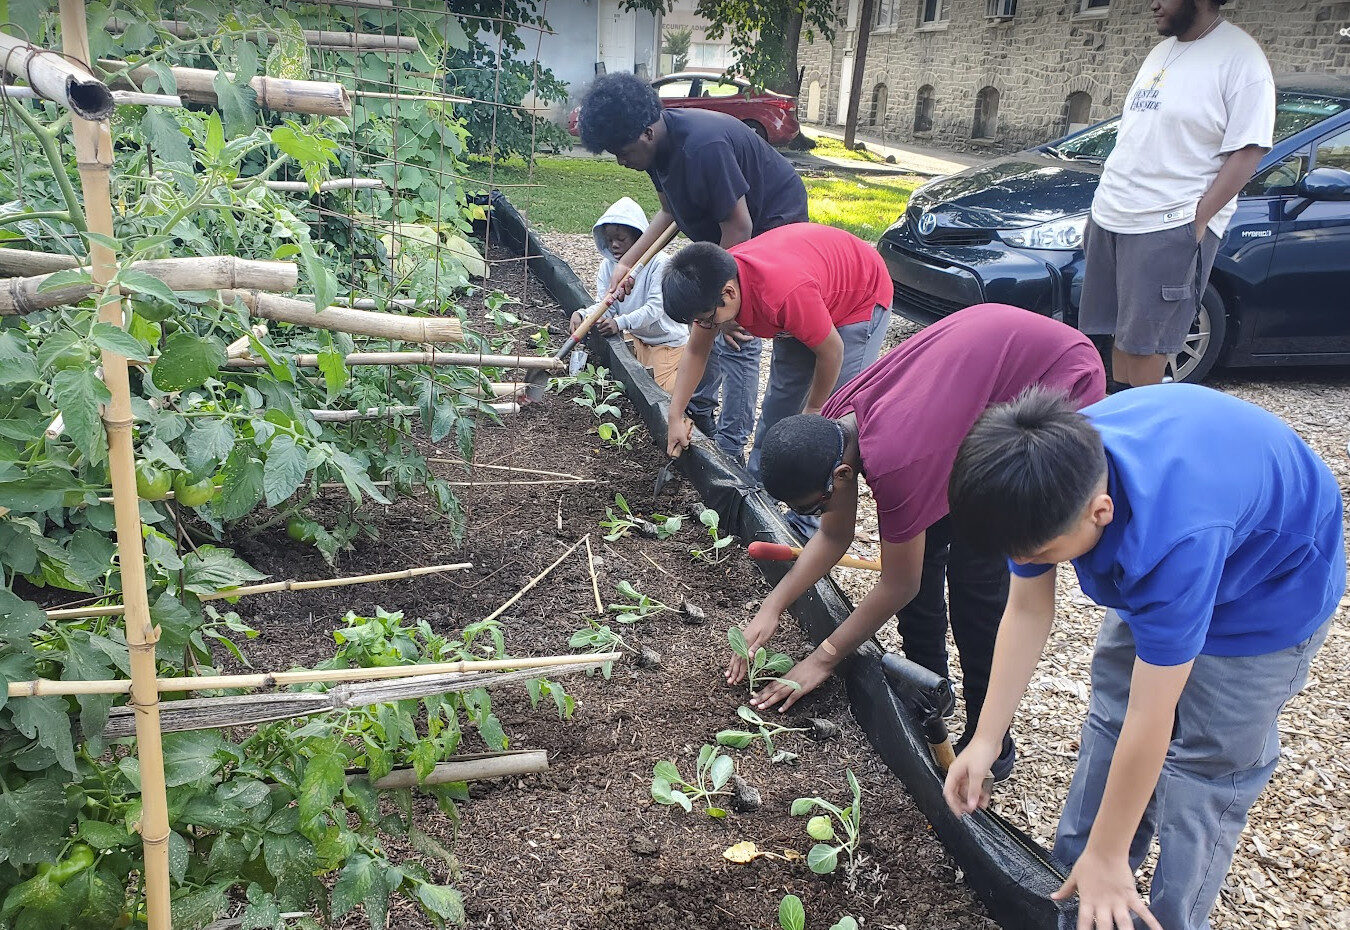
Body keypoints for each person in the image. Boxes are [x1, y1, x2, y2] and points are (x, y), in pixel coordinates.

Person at [943, 385, 1343, 930]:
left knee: (1208, 765)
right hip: (1182, 545)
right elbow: (1027, 610)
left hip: (1267, 589)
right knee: (1111, 714)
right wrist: (986, 737)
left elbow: (1153, 712)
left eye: (1038, 555)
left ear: (1101, 512)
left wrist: (1109, 855)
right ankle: (1078, 890)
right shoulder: (1043, 472)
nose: (1025, 563)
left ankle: (1165, 916)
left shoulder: (1172, 542)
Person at [740, 305, 1105, 783]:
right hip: (973, 386)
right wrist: (772, 606)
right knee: (928, 550)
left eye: (813, 505)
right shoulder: (834, 425)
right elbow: (835, 534)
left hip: (1052, 374)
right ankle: (928, 696)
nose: (815, 517)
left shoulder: (894, 461)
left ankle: (989, 740)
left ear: (843, 475)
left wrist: (824, 658)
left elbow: (898, 585)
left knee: (978, 581)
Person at [578, 72, 809, 460]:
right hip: (728, 239)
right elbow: (669, 211)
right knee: (704, 328)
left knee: (737, 336)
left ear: (645, 134)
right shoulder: (657, 151)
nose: (620, 162)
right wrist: (628, 264)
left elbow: (739, 225)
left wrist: (724, 300)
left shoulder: (703, 146)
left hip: (769, 232)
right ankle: (699, 418)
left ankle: (732, 451)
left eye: (622, 152)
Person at [1081, 0, 1273, 388]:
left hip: (1169, 221)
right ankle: (1121, 431)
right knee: (1119, 337)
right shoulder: (1160, 51)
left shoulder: (1241, 58)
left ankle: (1146, 439)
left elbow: (1249, 148)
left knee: (1147, 347)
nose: (1151, 4)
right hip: (1112, 214)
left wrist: (1199, 220)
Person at [661, 223, 892, 501]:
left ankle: (808, 521)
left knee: (833, 421)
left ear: (730, 294)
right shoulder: (714, 285)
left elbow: (831, 351)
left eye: (707, 320)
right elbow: (696, 351)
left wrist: (815, 408)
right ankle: (759, 493)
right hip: (809, 292)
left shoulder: (781, 294)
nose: (704, 326)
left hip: (858, 295)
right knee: (780, 405)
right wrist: (675, 416)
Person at [573, 197, 687, 392]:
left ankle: (690, 381)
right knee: (629, 384)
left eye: (621, 239)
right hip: (638, 337)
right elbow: (607, 306)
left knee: (659, 391)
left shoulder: (660, 264)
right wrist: (584, 315)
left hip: (667, 341)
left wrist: (620, 323)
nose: (614, 245)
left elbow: (654, 310)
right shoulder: (609, 267)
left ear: (639, 238)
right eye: (609, 240)